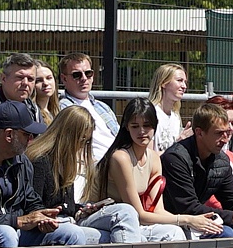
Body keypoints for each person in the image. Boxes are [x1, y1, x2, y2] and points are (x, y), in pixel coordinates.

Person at [0, 100, 96, 248]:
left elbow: (31, 200)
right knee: (6, 233)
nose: (31, 140)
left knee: (72, 233)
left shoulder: (20, 159)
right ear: (9, 135)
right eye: (27, 134)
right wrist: (18, 221)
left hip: (16, 229)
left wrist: (42, 217)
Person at [28, 106, 175, 243]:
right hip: (53, 228)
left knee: (156, 234)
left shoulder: (66, 161)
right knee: (125, 212)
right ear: (67, 136)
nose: (82, 146)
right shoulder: (41, 161)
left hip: (71, 221)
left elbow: (68, 206)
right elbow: (33, 208)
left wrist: (83, 209)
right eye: (81, 140)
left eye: (86, 142)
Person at [90, 98, 219, 239]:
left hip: (130, 220)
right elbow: (138, 214)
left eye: (147, 125)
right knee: (131, 215)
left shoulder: (154, 158)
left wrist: (192, 222)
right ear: (126, 127)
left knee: (177, 232)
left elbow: (157, 210)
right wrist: (187, 219)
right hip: (102, 216)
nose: (141, 131)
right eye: (134, 126)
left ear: (155, 125)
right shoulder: (120, 158)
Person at [161, 102, 233, 237]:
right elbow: (189, 207)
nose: (225, 139)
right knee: (226, 234)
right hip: (176, 222)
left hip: (203, 219)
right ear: (199, 132)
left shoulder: (221, 160)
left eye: (227, 133)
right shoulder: (175, 158)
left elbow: (232, 199)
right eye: (219, 133)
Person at [55, 53, 118, 162]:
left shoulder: (103, 107)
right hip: (94, 166)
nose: (84, 78)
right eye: (77, 75)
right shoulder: (64, 108)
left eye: (88, 73)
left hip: (119, 160)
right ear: (64, 79)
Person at [31, 58, 58, 126]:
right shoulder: (32, 113)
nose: (45, 83)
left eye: (49, 78)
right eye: (39, 80)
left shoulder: (56, 111)